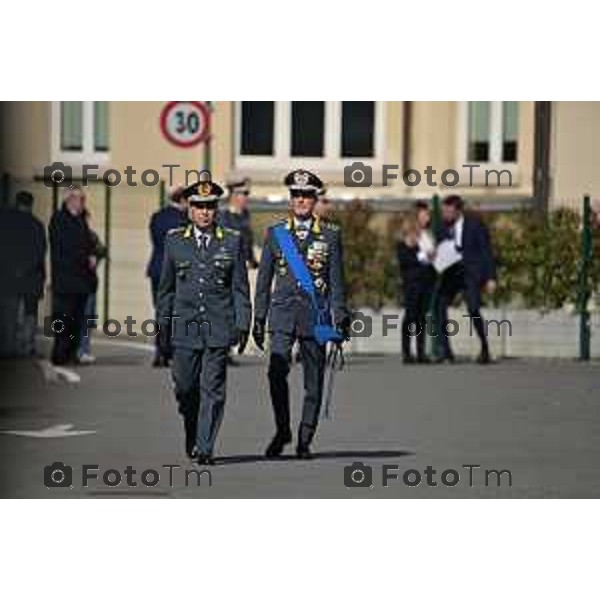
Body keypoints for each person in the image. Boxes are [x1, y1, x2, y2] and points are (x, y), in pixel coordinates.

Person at [253, 169, 350, 460]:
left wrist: (340, 316)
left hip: (315, 316)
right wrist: (258, 318)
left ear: (315, 199)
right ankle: (283, 429)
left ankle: (305, 437)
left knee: (313, 381)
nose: (301, 200)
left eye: (307, 195)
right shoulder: (276, 233)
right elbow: (263, 280)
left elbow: (336, 281)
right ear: (290, 199)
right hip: (282, 314)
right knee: (276, 371)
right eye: (296, 195)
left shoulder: (331, 235)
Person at [157, 181, 251, 465]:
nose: (205, 212)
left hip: (218, 326)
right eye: (199, 206)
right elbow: (166, 289)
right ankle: (192, 429)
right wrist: (163, 325)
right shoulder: (175, 240)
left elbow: (239, 288)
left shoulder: (232, 240)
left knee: (213, 388)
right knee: (186, 388)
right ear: (189, 209)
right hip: (185, 327)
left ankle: (206, 446)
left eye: (210, 207)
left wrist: (243, 324)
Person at [434, 195, 497, 364]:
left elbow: (486, 251)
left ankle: (485, 348)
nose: (445, 214)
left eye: (449, 211)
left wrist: (490, 277)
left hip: (470, 273)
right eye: (443, 211)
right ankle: (446, 351)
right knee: (439, 305)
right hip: (451, 273)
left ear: (458, 211)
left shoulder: (475, 225)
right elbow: (439, 249)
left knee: (473, 309)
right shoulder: (441, 227)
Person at [48, 186, 98, 366]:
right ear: (70, 200)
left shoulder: (81, 221)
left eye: (83, 199)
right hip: (66, 280)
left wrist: (92, 254)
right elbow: (66, 248)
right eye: (79, 199)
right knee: (63, 318)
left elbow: (88, 244)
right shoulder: (59, 219)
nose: (82, 202)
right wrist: (86, 257)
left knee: (77, 320)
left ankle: (72, 353)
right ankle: (60, 353)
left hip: (82, 281)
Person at [146, 185, 189, 367]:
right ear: (183, 200)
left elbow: (155, 241)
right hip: (176, 271)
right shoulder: (183, 220)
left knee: (161, 311)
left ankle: (160, 352)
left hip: (157, 269)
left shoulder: (157, 217)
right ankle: (170, 351)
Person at [0, 191, 46, 358]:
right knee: (30, 312)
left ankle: (9, 346)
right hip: (32, 276)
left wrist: (12, 268)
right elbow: (40, 251)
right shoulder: (37, 225)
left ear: (16, 202)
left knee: (10, 312)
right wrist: (26, 268)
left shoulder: (5, 222)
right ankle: (28, 346)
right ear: (31, 205)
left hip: (9, 276)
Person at [396, 201, 436, 364]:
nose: (428, 217)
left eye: (428, 214)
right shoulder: (405, 235)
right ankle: (406, 352)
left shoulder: (428, 234)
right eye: (425, 214)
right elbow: (404, 259)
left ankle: (421, 352)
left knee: (421, 317)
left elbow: (431, 255)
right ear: (416, 216)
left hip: (427, 280)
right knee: (410, 315)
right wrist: (424, 256)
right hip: (412, 281)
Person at [77, 207, 107, 365]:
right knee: (77, 318)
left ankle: (84, 349)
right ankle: (76, 350)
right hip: (76, 284)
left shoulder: (91, 236)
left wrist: (96, 256)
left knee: (87, 318)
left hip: (89, 283)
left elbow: (102, 250)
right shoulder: (72, 236)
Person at [219, 176, 258, 269]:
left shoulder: (245, 214)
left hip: (245, 265)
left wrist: (252, 261)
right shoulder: (224, 216)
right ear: (233, 195)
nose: (246, 197)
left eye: (247, 194)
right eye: (244, 193)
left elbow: (248, 242)